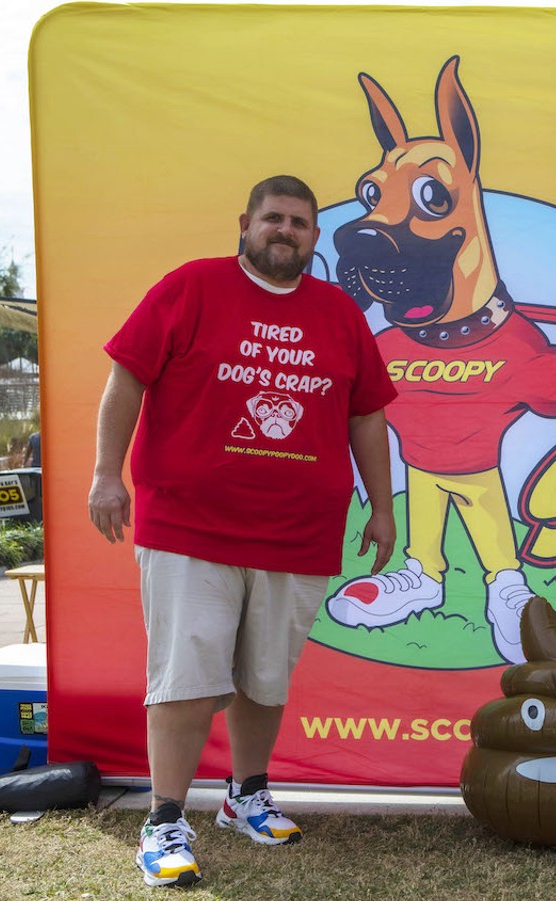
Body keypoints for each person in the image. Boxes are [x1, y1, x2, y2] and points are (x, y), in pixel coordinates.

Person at [87, 175, 397, 888]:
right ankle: (164, 818)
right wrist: (108, 473)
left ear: (315, 237)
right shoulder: (190, 288)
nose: (284, 230)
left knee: (265, 679)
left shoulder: (340, 314)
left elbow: (367, 415)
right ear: (245, 224)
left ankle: (245, 794)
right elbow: (127, 375)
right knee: (186, 680)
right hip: (191, 528)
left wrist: (381, 507)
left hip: (298, 532)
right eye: (272, 218)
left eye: (298, 222)